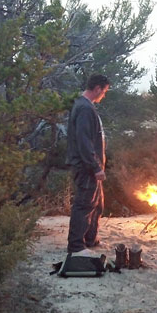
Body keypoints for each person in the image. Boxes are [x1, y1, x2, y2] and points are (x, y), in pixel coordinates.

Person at [66, 74, 110, 254]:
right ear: (98, 88)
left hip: (90, 166)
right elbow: (84, 141)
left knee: (96, 204)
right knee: (84, 204)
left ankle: (89, 238)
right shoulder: (84, 108)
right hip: (86, 167)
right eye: (104, 91)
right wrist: (95, 167)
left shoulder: (86, 107)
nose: (104, 95)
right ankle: (76, 246)